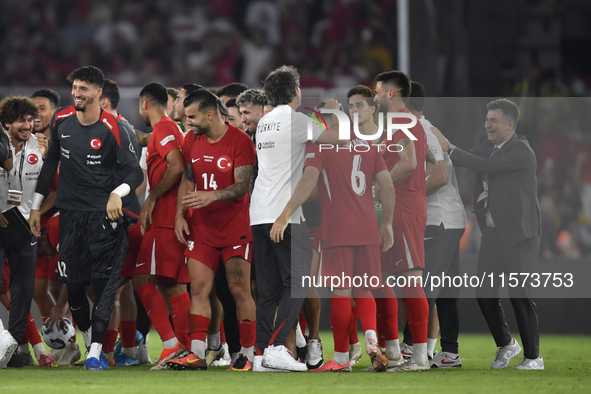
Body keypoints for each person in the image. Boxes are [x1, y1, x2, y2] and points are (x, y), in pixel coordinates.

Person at [29, 65, 143, 370]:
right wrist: (35, 207)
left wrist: (117, 193)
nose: (77, 94)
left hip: (103, 219)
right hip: (70, 218)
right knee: (75, 289)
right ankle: (92, 336)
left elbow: (134, 172)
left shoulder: (117, 127)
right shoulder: (61, 119)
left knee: (104, 284)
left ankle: (95, 351)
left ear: (97, 93)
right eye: (75, 88)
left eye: (83, 89)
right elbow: (51, 161)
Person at [433, 98, 543, 370]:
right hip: (493, 235)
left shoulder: (521, 151)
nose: (487, 125)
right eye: (486, 120)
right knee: (483, 294)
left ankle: (533, 357)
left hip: (520, 236)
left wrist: (449, 147)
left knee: (520, 295)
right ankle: (507, 345)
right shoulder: (489, 148)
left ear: (509, 124)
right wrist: (436, 150)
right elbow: (472, 158)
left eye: (493, 120)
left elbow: (483, 165)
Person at [252, 65, 344, 372]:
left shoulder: (263, 123)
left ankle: (260, 355)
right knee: (299, 282)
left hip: (258, 212)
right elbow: (339, 137)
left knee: (266, 290)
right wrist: (336, 112)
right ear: (296, 92)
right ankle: (278, 347)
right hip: (285, 215)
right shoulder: (296, 120)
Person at [170, 89, 257, 371]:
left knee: (239, 290)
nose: (189, 122)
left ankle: (246, 354)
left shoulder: (240, 141)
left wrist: (212, 196)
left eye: (192, 117)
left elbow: (242, 186)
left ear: (210, 114)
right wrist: (179, 215)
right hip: (201, 229)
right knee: (198, 289)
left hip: (234, 230)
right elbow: (189, 177)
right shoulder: (190, 140)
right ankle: (196, 353)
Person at [401, 81, 466, 368]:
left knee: (423, 287)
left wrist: (408, 195)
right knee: (445, 290)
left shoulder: (420, 130)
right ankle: (448, 351)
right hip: (450, 218)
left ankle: (411, 348)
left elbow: (438, 176)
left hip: (438, 219)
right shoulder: (423, 127)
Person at [373, 70, 434, 371]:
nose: (375, 96)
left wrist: (378, 185)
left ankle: (421, 357)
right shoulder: (393, 125)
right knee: (383, 280)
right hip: (390, 210)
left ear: (391, 94)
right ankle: (395, 353)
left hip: (406, 207)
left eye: (378, 91)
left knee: (410, 280)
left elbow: (409, 163)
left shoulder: (404, 121)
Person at [133, 82, 191, 371]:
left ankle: (172, 344)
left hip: (165, 217)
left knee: (143, 281)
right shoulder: (167, 129)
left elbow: (177, 165)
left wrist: (152, 198)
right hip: (172, 217)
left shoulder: (164, 128)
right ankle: (184, 349)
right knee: (173, 285)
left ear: (145, 104)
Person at [0, 96, 58, 368]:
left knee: (22, 290)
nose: (27, 126)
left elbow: (52, 189)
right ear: (7, 123)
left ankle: (12, 350)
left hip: (23, 226)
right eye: (21, 120)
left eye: (30, 120)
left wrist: (37, 212)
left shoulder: (41, 147)